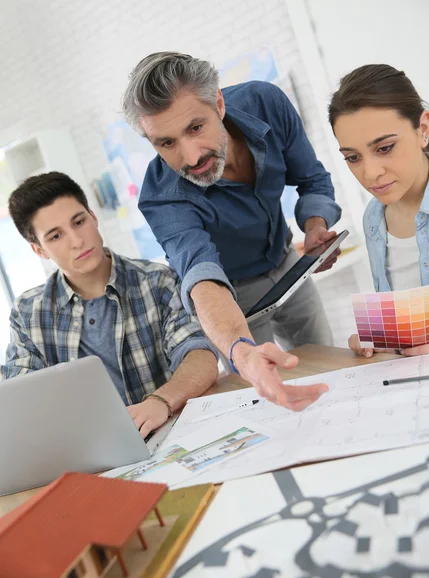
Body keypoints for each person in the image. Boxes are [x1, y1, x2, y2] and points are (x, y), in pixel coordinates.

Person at [122, 51, 340, 408]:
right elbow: (200, 275)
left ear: (218, 104)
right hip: (234, 299)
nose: (191, 157)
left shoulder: (265, 103)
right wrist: (240, 352)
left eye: (195, 128)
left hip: (289, 265)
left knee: (329, 369)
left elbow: (312, 179)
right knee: (265, 396)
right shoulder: (162, 197)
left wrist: (315, 227)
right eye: (167, 143)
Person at [0, 172, 219, 438]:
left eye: (79, 222)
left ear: (93, 217)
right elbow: (19, 395)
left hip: (172, 434)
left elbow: (200, 356)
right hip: (87, 452)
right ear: (40, 250)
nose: (77, 241)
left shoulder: (158, 281)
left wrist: (161, 401)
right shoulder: (28, 313)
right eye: (56, 236)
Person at [328, 64, 429, 358]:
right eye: (353, 157)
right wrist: (375, 337)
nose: (370, 173)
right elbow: (406, 322)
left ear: (423, 130)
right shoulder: (373, 218)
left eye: (384, 148)